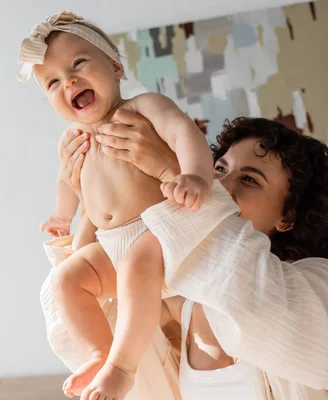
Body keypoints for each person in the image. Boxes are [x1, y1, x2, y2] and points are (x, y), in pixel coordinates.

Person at [59, 112, 328, 399]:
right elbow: (101, 309)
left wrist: (171, 170)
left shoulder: (314, 284)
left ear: (287, 218)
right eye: (221, 169)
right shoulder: (180, 300)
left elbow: (253, 300)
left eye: (249, 179)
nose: (222, 187)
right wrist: (90, 203)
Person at [18, 11, 212, 399]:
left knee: (191, 332)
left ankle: (123, 368)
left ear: (115, 65)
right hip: (112, 249)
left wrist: (193, 176)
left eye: (77, 64)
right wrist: (62, 214)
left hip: (161, 239)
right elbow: (68, 182)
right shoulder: (72, 140)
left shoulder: (143, 108)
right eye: (53, 82)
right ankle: (99, 353)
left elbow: (183, 131)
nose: (68, 81)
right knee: (66, 280)